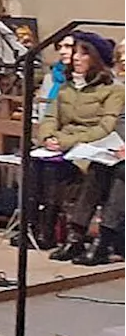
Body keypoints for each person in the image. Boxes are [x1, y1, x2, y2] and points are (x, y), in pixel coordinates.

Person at [40, 32, 126, 263]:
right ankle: (75, 236)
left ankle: (104, 240)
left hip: (109, 146)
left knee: (121, 172)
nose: (75, 57)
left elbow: (107, 123)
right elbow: (119, 123)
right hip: (108, 146)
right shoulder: (69, 87)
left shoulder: (114, 89)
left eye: (82, 53)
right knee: (99, 168)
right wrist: (49, 137)